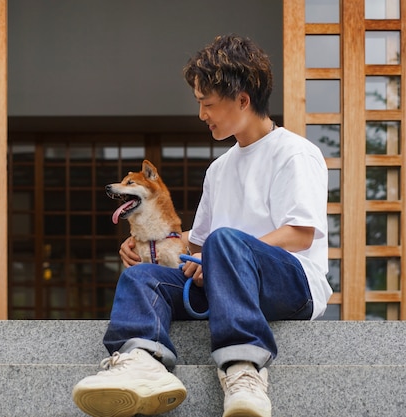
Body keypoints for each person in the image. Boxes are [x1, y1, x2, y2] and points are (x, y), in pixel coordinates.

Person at [72, 33, 332, 417]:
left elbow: (299, 234)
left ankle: (244, 369)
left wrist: (221, 256)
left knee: (226, 242)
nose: (201, 115)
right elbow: (199, 244)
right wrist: (153, 245)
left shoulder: (295, 153)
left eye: (207, 104)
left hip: (293, 285)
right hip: (222, 281)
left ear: (243, 100)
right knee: (143, 276)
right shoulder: (219, 169)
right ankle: (143, 360)